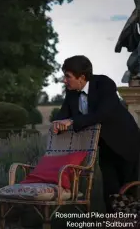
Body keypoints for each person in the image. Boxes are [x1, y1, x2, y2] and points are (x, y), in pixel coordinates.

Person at [53, 55, 140, 213]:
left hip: (128, 143)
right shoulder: (72, 93)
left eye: (68, 76)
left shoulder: (104, 84)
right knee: (110, 192)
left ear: (82, 77)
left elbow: (103, 113)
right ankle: (114, 223)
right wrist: (56, 125)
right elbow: (62, 116)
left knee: (130, 190)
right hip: (105, 147)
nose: (65, 80)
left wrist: (72, 121)